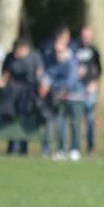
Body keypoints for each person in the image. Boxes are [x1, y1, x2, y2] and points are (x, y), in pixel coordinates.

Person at [0, 37, 47, 156]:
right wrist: (2, 82)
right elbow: (6, 74)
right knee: (11, 117)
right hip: (13, 90)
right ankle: (12, 147)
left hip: (29, 91)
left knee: (25, 117)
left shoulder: (34, 57)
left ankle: (23, 147)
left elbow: (39, 73)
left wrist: (40, 85)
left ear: (25, 49)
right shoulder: (10, 57)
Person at [43, 26, 84, 160]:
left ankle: (75, 149)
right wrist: (46, 84)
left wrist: (61, 88)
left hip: (74, 96)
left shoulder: (71, 60)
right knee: (60, 122)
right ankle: (61, 149)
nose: (57, 53)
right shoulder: (52, 60)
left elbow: (71, 80)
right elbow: (49, 75)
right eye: (56, 51)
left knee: (75, 123)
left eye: (60, 51)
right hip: (59, 96)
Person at [73, 25, 103, 154]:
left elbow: (99, 69)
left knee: (89, 117)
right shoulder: (75, 49)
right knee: (76, 117)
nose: (86, 38)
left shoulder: (94, 51)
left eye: (88, 36)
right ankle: (76, 146)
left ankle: (90, 145)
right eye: (84, 36)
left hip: (90, 87)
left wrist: (94, 82)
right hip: (77, 87)